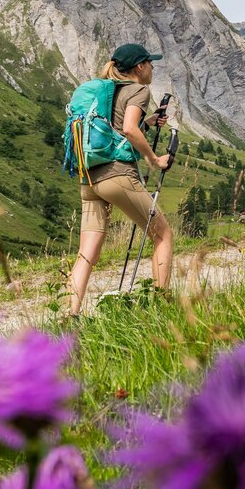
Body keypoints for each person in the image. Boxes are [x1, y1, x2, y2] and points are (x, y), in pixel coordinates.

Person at [68, 43, 174, 315]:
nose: (152, 67)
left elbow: (114, 128)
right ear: (139, 66)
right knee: (163, 235)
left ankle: (69, 315)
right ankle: (163, 307)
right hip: (118, 175)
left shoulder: (108, 91)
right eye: (150, 63)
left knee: (87, 253)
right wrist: (154, 159)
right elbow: (128, 129)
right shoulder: (139, 90)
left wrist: (147, 122)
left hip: (90, 178)